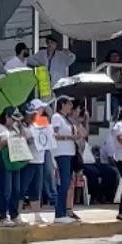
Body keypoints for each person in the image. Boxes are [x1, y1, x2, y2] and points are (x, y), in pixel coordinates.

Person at [0, 110, 27, 227]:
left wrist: (20, 124)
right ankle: (3, 216)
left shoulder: (14, 128)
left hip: (14, 158)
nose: (13, 120)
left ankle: (14, 214)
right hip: (3, 158)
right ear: (6, 117)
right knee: (5, 189)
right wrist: (8, 139)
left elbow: (23, 138)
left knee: (16, 189)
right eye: (12, 118)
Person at [18, 105, 49, 225]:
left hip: (39, 160)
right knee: (22, 188)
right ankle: (17, 214)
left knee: (37, 189)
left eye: (35, 114)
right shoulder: (24, 126)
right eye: (31, 114)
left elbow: (48, 127)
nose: (33, 116)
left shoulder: (41, 124)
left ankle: (37, 214)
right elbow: (23, 139)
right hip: (28, 161)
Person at [51, 96, 78, 224]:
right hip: (62, 153)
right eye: (69, 103)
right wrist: (69, 137)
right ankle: (59, 213)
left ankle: (63, 212)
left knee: (67, 183)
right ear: (62, 104)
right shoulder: (56, 117)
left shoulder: (67, 119)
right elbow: (54, 134)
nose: (71, 106)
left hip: (69, 153)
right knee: (64, 183)